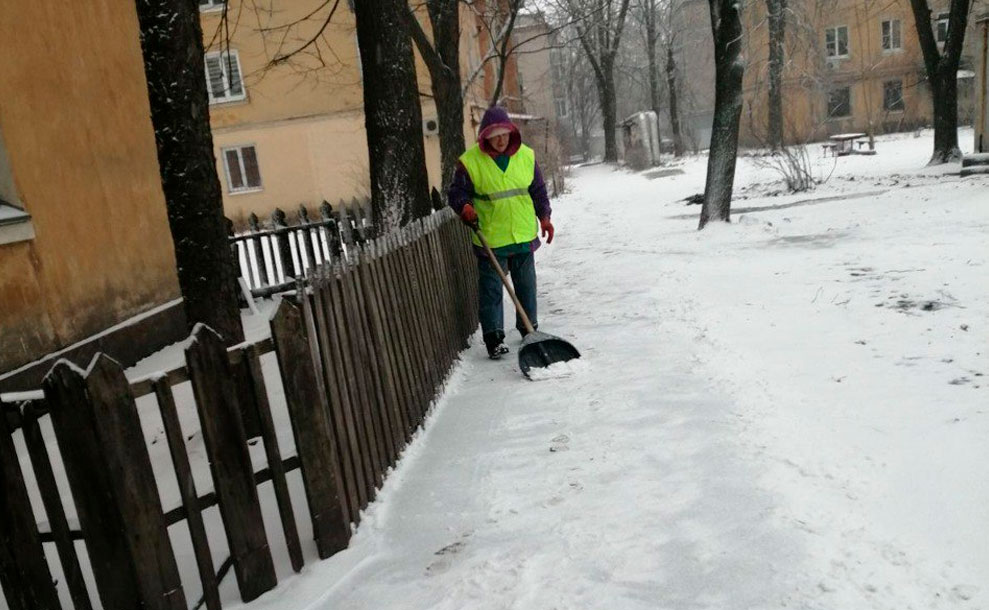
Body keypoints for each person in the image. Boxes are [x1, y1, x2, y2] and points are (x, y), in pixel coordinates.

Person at [448, 106, 554, 360]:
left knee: (526, 285)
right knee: (492, 289)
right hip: (491, 237)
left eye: (505, 134)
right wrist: (465, 207)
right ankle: (494, 337)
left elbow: (538, 191)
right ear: (485, 136)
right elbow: (456, 193)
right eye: (495, 135)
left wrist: (545, 218)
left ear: (511, 133)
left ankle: (530, 329)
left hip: (522, 234)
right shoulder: (470, 162)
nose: (501, 139)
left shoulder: (526, 156)